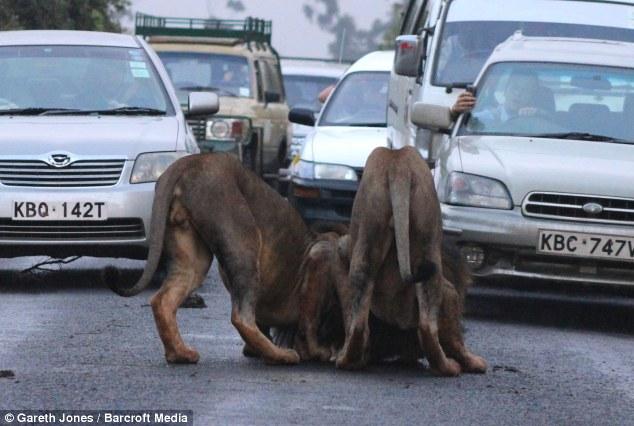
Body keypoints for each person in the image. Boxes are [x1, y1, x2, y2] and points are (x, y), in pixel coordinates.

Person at [450, 72, 543, 123]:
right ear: (506, 90)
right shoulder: (489, 117)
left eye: (525, 90)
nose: (518, 94)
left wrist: (540, 114)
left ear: (532, 97)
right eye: (515, 87)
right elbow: (469, 124)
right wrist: (455, 113)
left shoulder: (540, 121)